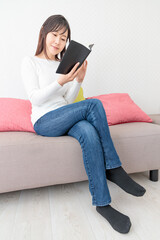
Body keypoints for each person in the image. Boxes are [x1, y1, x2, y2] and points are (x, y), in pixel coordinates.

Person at [21, 14, 146, 234]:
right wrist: (61, 80)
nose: (58, 42)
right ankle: (114, 168)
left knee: (88, 131)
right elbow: (35, 99)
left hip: (64, 114)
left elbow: (68, 102)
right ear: (44, 32)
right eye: (55, 35)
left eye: (64, 38)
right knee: (92, 104)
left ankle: (102, 204)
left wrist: (78, 81)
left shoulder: (62, 64)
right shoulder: (30, 62)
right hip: (44, 121)